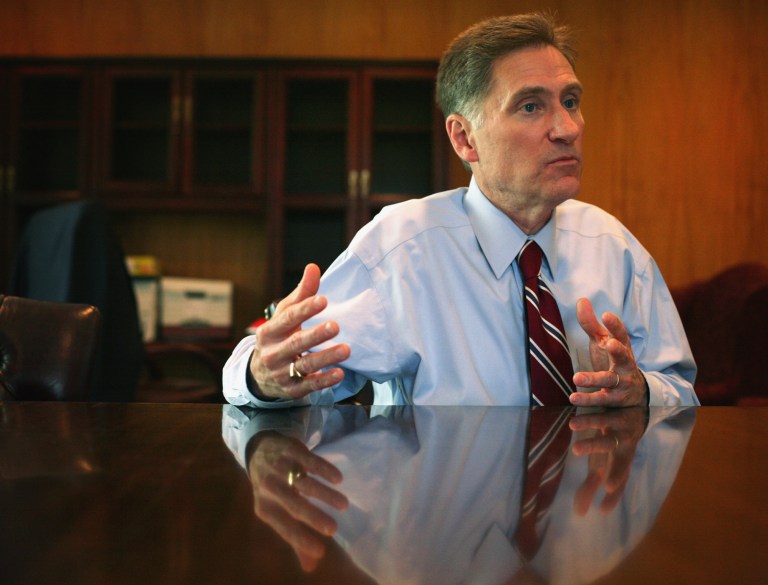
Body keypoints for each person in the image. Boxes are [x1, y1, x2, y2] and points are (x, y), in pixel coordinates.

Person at [223, 12, 698, 408]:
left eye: (570, 101)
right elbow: (277, 366)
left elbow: (680, 388)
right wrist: (262, 375)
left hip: (588, 493)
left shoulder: (614, 247)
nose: (567, 128)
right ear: (465, 138)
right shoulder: (403, 247)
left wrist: (641, 392)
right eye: (531, 107)